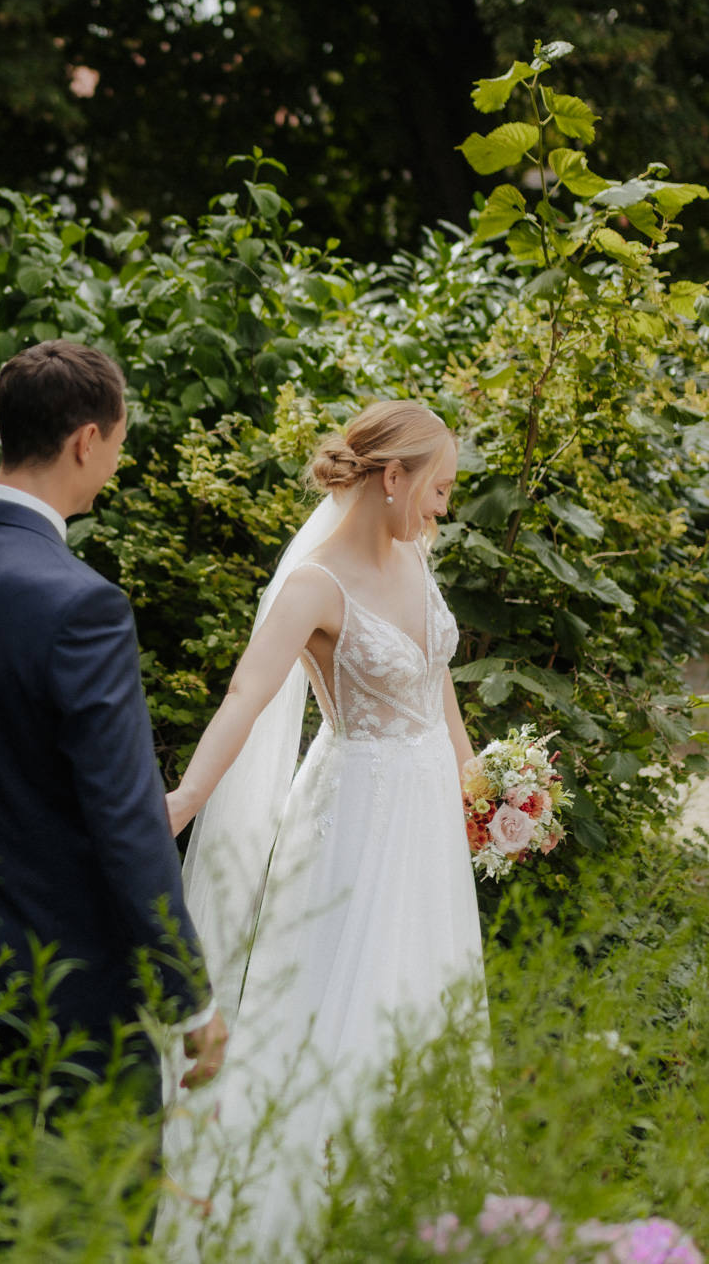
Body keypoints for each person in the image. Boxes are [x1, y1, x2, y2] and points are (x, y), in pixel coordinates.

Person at [157, 399, 486, 1254]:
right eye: (438, 489)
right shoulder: (315, 584)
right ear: (392, 477)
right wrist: (186, 799)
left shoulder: (416, 556)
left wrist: (477, 780)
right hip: (355, 814)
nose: (442, 508)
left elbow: (435, 677)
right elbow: (247, 696)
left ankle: (409, 1204)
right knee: (332, 1002)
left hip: (427, 820)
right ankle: (300, 1209)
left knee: (422, 989)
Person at [0, 340, 227, 1112]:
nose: (115, 459)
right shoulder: (83, 605)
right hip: (74, 979)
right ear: (87, 440)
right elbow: (127, 819)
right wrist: (190, 998)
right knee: (99, 1222)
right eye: (117, 443)